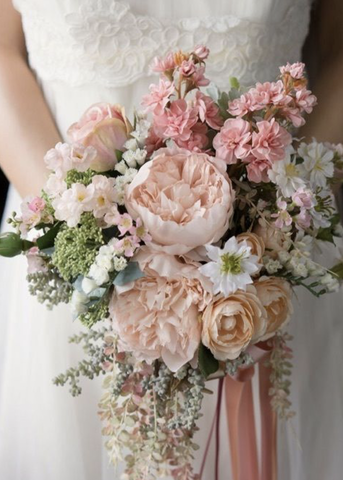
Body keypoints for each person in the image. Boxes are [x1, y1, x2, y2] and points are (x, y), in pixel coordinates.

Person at [0, 1, 342, 479]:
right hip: (66, 250)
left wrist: (272, 222)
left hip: (267, 253)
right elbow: (3, 53)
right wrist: (85, 238)